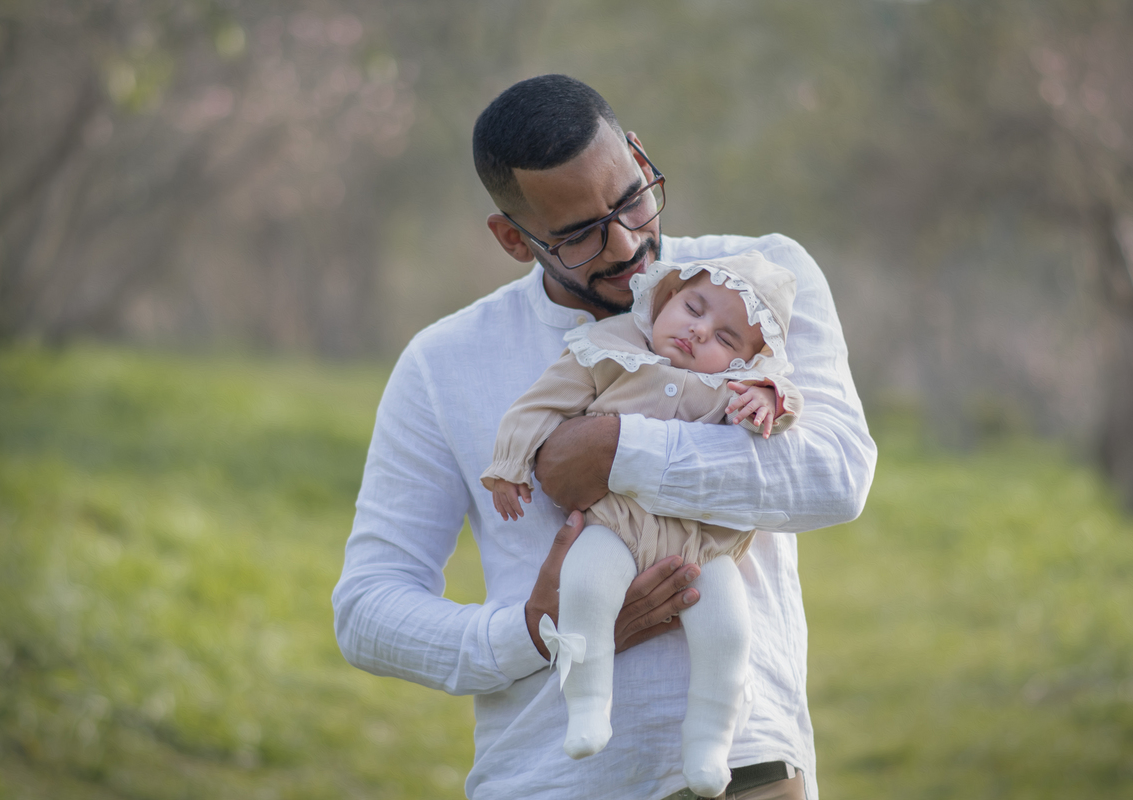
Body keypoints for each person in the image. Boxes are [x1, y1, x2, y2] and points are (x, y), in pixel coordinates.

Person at [332, 74, 877, 800]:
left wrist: (621, 451)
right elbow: (368, 611)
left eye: (630, 200)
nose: (626, 245)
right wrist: (534, 632)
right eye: (579, 234)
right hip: (549, 780)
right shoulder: (444, 362)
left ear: (641, 156)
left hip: (745, 770)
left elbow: (837, 474)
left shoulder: (759, 286)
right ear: (512, 240)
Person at [482, 251, 805, 798]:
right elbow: (538, 405)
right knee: (584, 587)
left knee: (727, 633)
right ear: (664, 298)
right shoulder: (607, 350)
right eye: (692, 308)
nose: (700, 332)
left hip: (701, 549)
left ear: (747, 360)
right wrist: (508, 464)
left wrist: (770, 397)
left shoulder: (735, 388)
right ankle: (587, 705)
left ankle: (708, 740)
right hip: (614, 526)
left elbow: (791, 404)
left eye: (726, 339)